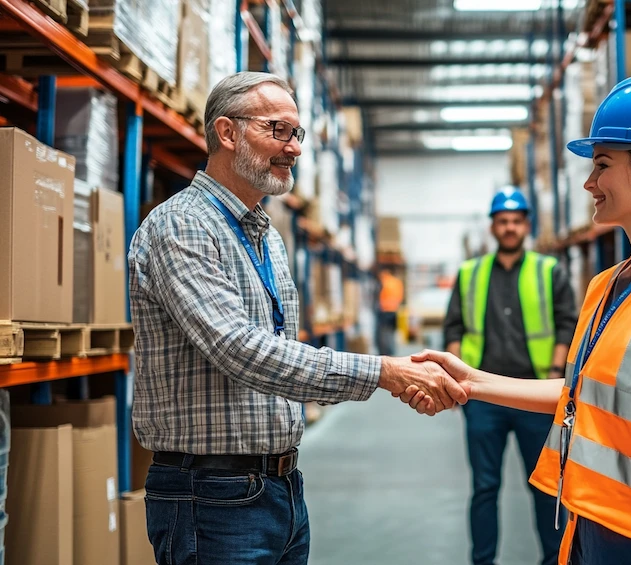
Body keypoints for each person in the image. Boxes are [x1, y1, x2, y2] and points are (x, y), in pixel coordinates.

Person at [404, 73, 631, 565]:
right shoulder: (606, 285)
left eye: (602, 165)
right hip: (590, 528)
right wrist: (471, 381)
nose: (589, 183)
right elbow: (578, 395)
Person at [128, 72, 466, 565]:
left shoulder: (268, 236)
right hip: (211, 496)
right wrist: (384, 372)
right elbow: (241, 350)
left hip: (280, 488)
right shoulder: (183, 226)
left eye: (297, 133)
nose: (295, 148)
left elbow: (281, 351)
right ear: (227, 132)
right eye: (279, 130)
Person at [442, 186, 578, 565]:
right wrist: (456, 384)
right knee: (485, 488)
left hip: (535, 396)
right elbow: (453, 328)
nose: (509, 227)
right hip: (482, 398)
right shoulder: (469, 274)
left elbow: (568, 324)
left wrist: (555, 373)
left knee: (545, 487)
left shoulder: (548, 271)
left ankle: (553, 560)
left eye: (516, 221)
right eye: (503, 221)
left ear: (526, 225)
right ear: (493, 227)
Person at [377, 268, 404, 355]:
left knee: (385, 334)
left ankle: (387, 353)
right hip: (395, 310)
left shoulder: (385, 281)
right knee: (391, 333)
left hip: (385, 311)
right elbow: (400, 297)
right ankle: (392, 353)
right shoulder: (397, 282)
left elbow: (380, 296)